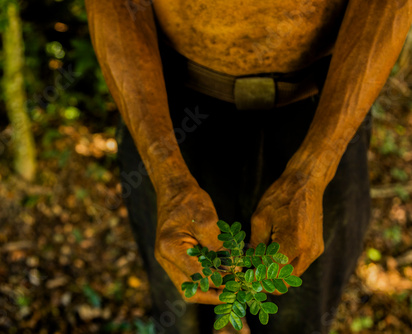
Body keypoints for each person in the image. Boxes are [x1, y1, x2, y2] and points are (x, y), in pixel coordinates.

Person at [85, 1, 411, 333]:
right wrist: (166, 171)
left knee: (300, 317)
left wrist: (315, 169)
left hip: (326, 108)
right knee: (184, 313)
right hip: (168, 109)